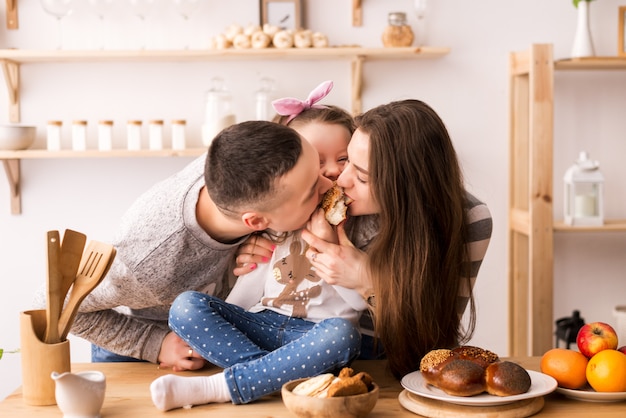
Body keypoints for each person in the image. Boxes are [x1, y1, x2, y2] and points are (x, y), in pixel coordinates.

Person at [33, 120, 333, 371]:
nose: (328, 184)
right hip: (138, 361)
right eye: (311, 191)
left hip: (210, 332)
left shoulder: (238, 161)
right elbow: (53, 306)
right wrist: (154, 344)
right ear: (254, 220)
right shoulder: (149, 261)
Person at [149, 81, 366, 410]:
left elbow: (358, 303)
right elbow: (247, 291)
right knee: (185, 307)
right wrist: (227, 319)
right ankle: (273, 376)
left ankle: (226, 385)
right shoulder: (275, 226)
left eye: (343, 159)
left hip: (313, 337)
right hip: (262, 324)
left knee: (343, 335)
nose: (332, 172)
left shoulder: (355, 227)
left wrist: (330, 241)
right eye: (317, 163)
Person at [299, 99, 493, 380]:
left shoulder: (469, 220)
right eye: (347, 160)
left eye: (363, 177)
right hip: (312, 363)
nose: (341, 179)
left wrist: (368, 281)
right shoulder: (329, 201)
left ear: (407, 187)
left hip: (394, 371)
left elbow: (428, 351)